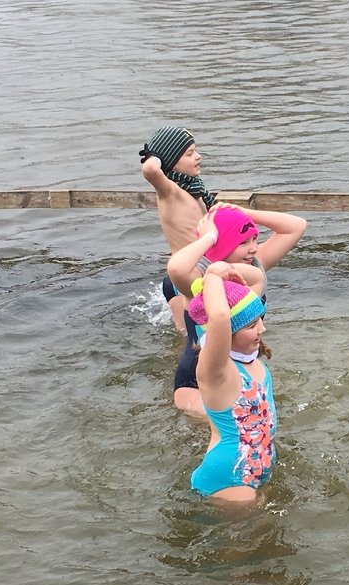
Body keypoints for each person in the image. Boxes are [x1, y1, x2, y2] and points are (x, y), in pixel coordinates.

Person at [166, 203, 307, 418]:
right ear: (220, 243)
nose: (254, 248)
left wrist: (243, 213)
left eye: (254, 239)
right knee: (232, 428)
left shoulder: (254, 266)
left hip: (243, 375)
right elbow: (176, 268)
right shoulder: (200, 280)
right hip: (198, 381)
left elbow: (297, 226)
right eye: (243, 242)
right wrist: (210, 236)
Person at [185, 263, 277, 503]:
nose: (262, 328)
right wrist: (213, 275)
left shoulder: (247, 355)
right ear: (228, 333)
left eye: (260, 320)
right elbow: (220, 317)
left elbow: (257, 277)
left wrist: (226, 268)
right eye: (252, 326)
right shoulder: (217, 370)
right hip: (229, 477)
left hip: (256, 467)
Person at [140, 126, 216, 331]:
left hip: (193, 273)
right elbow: (150, 169)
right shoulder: (170, 192)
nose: (198, 156)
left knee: (194, 339)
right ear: (171, 161)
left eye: (195, 151)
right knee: (192, 341)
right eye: (189, 154)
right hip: (186, 277)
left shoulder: (193, 189)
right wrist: (156, 157)